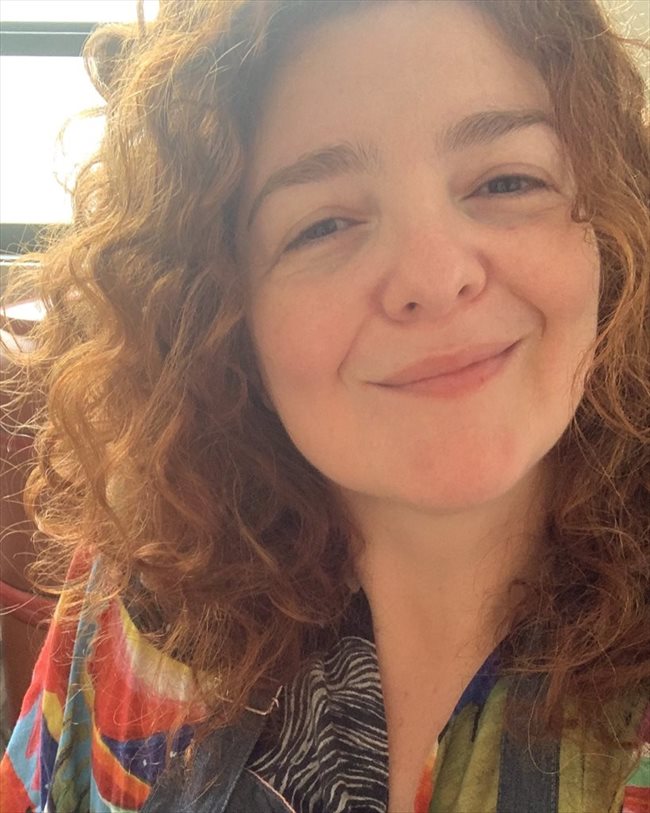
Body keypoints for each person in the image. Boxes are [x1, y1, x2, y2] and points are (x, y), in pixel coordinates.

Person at [0, 0, 648, 810]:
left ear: (613, 226)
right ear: (222, 310)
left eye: (508, 181)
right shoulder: (144, 588)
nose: (433, 276)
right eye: (324, 225)